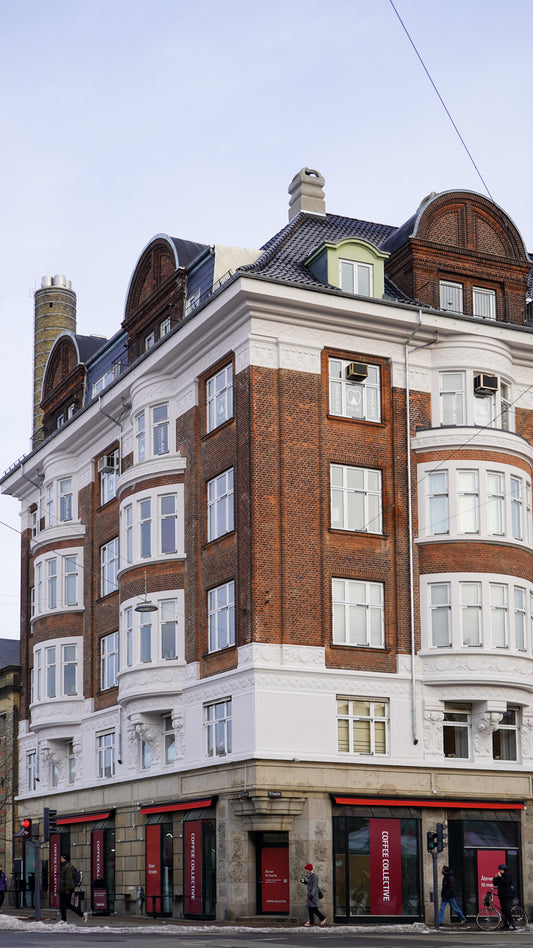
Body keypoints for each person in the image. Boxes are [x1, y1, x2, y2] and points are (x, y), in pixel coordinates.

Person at [59, 855, 88, 924]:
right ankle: (81, 914)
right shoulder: (64, 866)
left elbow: (68, 879)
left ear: (64, 859)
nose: (60, 859)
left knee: (63, 904)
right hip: (64, 888)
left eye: (61, 858)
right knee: (66, 904)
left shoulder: (68, 867)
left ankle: (64, 920)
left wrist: (67, 889)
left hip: (67, 889)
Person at [493, 863, 516, 930]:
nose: (499, 871)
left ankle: (512, 923)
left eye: (501, 870)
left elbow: (506, 883)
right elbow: (495, 883)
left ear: (504, 870)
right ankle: (506, 924)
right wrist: (495, 878)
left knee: (507, 908)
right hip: (502, 894)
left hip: (507, 894)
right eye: (499, 870)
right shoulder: (500, 876)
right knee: (503, 910)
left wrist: (500, 877)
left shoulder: (507, 875)